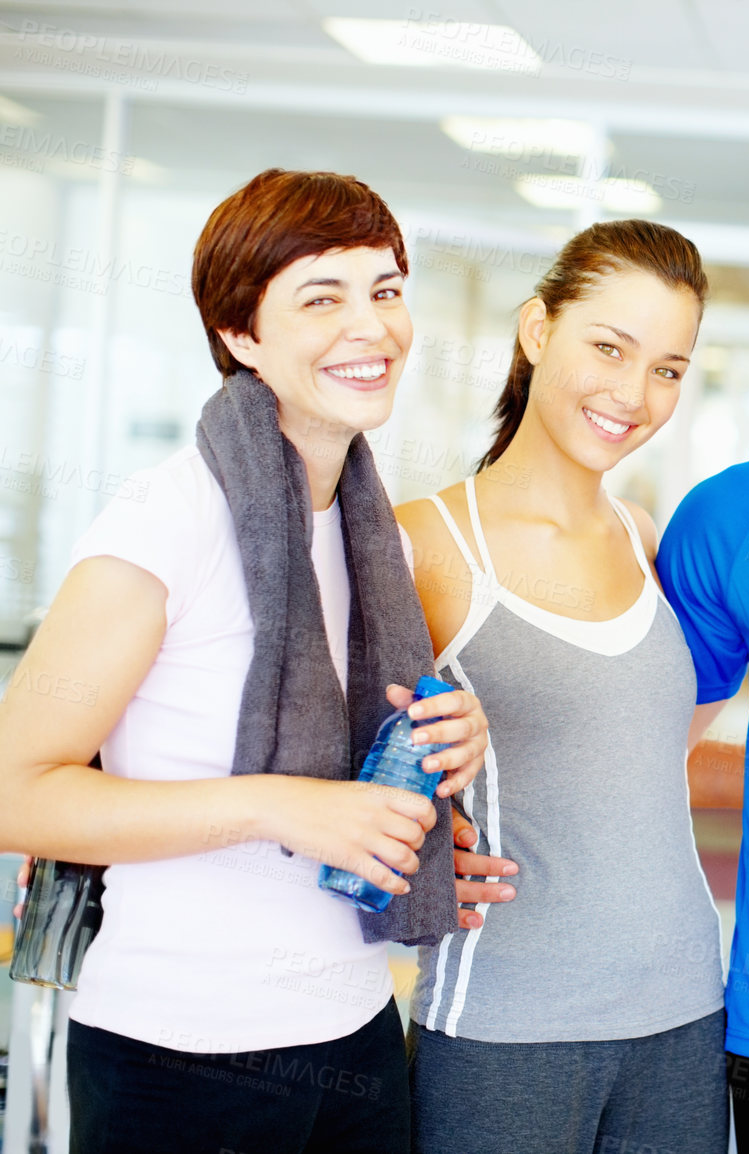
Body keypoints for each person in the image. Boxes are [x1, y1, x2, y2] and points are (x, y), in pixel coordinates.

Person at [0, 169, 490, 1154]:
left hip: (351, 1028)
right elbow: (16, 788)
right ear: (239, 333)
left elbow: (357, 770)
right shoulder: (167, 518)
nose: (373, 325)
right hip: (177, 1053)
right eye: (323, 296)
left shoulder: (369, 534)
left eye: (386, 289)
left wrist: (448, 760)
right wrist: (276, 804)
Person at [396, 219, 727, 1154]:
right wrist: (418, 863)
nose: (633, 393)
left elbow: (645, 749)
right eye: (608, 348)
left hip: (684, 1017)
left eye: (667, 367)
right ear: (538, 331)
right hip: (507, 1028)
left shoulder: (648, 537)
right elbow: (336, 764)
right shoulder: (422, 543)